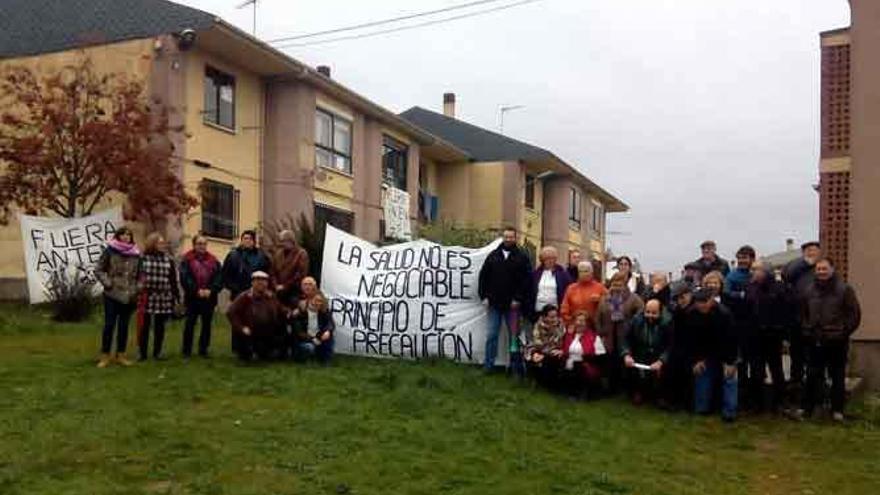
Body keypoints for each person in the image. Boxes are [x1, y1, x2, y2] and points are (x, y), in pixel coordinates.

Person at [794, 258, 861, 422]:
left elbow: (854, 314)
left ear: (832, 270)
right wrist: (806, 329)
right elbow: (802, 314)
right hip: (815, 340)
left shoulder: (844, 289)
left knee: (837, 376)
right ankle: (807, 408)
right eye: (818, 269)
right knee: (811, 375)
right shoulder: (809, 290)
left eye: (824, 269)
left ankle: (837, 411)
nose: (821, 272)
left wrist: (843, 332)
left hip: (837, 341)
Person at [679, 288, 738, 422]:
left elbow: (731, 339)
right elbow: (690, 340)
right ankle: (702, 408)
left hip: (725, 350)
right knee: (701, 374)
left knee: (729, 378)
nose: (702, 305)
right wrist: (696, 360)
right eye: (699, 302)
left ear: (712, 300)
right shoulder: (691, 314)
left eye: (705, 301)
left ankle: (729, 412)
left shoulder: (725, 314)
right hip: (704, 353)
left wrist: (730, 362)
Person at [477, 227, 532, 372]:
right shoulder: (493, 255)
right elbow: (483, 277)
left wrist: (518, 299)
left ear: (515, 238)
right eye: (506, 237)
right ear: (503, 238)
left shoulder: (522, 257)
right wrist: (484, 296)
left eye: (511, 237)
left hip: (513, 306)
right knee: (492, 335)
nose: (508, 239)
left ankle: (515, 368)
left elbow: (526, 281)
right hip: (494, 304)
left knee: (514, 337)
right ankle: (488, 365)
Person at [745, 261, 791, 412]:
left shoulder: (779, 287)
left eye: (755, 269)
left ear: (765, 271)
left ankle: (780, 402)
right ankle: (757, 404)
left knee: (776, 370)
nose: (752, 272)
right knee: (756, 371)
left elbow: (785, 312)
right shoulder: (750, 286)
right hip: (755, 336)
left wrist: (784, 336)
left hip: (773, 335)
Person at [94, 226, 141, 368]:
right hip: (112, 294)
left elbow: (141, 275)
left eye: (129, 234)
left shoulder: (136, 254)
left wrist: (137, 288)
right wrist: (108, 283)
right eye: (123, 234)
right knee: (109, 325)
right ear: (118, 236)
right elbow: (99, 269)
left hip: (129, 295)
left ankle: (121, 355)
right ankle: (105, 356)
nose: (126, 237)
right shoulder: (110, 251)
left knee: (123, 326)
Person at [782, 241, 822, 392]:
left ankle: (817, 384)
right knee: (796, 352)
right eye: (807, 250)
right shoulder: (796, 265)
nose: (811, 252)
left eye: (814, 250)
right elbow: (787, 275)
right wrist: (804, 263)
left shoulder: (823, 266)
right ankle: (796, 381)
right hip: (797, 317)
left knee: (815, 353)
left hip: (816, 318)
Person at [222, 230, 271, 351]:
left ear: (254, 241)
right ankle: (237, 347)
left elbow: (267, 273)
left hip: (256, 295)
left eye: (249, 238)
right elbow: (225, 275)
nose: (246, 241)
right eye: (244, 238)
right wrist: (233, 288)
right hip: (237, 293)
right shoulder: (233, 255)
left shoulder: (261, 256)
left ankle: (254, 346)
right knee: (237, 318)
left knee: (254, 319)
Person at [595, 272, 644, 392]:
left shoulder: (634, 299)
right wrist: (601, 333)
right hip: (609, 336)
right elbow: (598, 317)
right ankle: (611, 387)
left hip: (625, 336)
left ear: (625, 285)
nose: (617, 287)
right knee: (610, 363)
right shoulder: (605, 299)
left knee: (625, 362)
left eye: (619, 284)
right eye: (614, 284)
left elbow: (640, 316)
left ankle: (627, 388)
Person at [136, 233, 180, 361]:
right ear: (152, 244)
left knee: (160, 326)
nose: (162, 245)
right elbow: (137, 276)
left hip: (163, 295)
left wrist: (176, 297)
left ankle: (157, 352)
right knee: (145, 326)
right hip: (147, 295)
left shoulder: (169, 260)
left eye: (163, 243)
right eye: (159, 243)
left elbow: (172, 280)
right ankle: (142, 353)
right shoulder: (143, 259)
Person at [621, 299, 673, 406]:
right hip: (640, 352)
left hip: (659, 353)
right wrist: (627, 355)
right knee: (633, 369)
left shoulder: (668, 323)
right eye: (647, 312)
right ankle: (638, 392)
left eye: (654, 313)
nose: (650, 315)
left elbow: (671, 346)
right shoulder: (636, 321)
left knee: (664, 371)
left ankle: (660, 396)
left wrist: (661, 361)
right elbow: (626, 339)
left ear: (660, 312)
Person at [179, 235, 223, 358]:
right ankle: (186, 351)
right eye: (199, 243)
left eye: (204, 244)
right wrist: (196, 290)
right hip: (192, 298)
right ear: (194, 245)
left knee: (206, 325)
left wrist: (211, 290)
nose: (202, 246)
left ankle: (203, 349)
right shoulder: (186, 260)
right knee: (190, 324)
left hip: (209, 298)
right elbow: (184, 278)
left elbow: (219, 278)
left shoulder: (214, 260)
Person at [724, 245, 756, 409]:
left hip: (755, 324)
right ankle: (742, 398)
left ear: (752, 259)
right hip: (738, 323)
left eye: (746, 257)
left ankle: (755, 398)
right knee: (741, 362)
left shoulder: (755, 274)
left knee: (755, 363)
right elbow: (727, 293)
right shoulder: (732, 276)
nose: (743, 260)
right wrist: (743, 295)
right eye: (740, 257)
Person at [227, 271, 285, 361]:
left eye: (264, 281)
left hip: (267, 333)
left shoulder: (271, 296)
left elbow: (281, 310)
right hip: (249, 333)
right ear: (252, 282)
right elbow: (231, 312)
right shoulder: (244, 297)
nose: (261, 284)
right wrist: (241, 328)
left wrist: (291, 312)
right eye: (258, 281)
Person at [560, 310, 602, 399]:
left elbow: (600, 357)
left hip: (586, 365)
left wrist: (585, 359)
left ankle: (581, 393)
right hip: (568, 363)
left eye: (582, 321)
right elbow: (564, 350)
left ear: (587, 323)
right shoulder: (569, 335)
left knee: (578, 367)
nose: (579, 323)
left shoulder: (594, 337)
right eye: (578, 320)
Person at [666, 281, 695, 409]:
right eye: (678, 298)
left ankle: (686, 402)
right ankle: (674, 401)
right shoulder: (677, 310)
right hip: (677, 347)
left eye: (683, 297)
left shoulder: (694, 311)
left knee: (687, 376)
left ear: (689, 295)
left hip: (690, 349)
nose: (681, 300)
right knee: (674, 374)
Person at [527, 246, 572, 323]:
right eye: (547, 258)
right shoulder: (535, 274)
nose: (550, 261)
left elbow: (569, 292)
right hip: (538, 312)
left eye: (552, 258)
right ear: (542, 260)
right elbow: (529, 291)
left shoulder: (563, 274)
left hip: (555, 313)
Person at [291, 285, 334, 364]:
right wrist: (312, 339)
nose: (318, 303)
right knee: (309, 347)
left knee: (329, 337)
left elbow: (330, 323)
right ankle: (302, 359)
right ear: (310, 300)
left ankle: (325, 360)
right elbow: (299, 332)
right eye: (316, 300)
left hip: (318, 337)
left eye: (320, 301)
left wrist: (328, 331)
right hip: (304, 340)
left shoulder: (324, 312)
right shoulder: (301, 313)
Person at [525, 304, 566, 388]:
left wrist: (544, 355)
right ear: (544, 317)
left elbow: (560, 342)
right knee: (531, 355)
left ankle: (551, 384)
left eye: (555, 316)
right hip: (540, 349)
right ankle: (537, 380)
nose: (554, 319)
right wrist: (537, 353)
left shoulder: (561, 326)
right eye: (551, 317)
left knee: (552, 357)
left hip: (555, 350)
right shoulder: (538, 325)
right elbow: (536, 342)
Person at [270, 229, 309, 307]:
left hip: (294, 293)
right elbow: (272, 271)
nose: (281, 244)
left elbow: (300, 274)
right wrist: (275, 285)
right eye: (281, 241)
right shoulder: (278, 254)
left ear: (291, 241)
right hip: (278, 292)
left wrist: (285, 286)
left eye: (283, 241)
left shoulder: (301, 254)